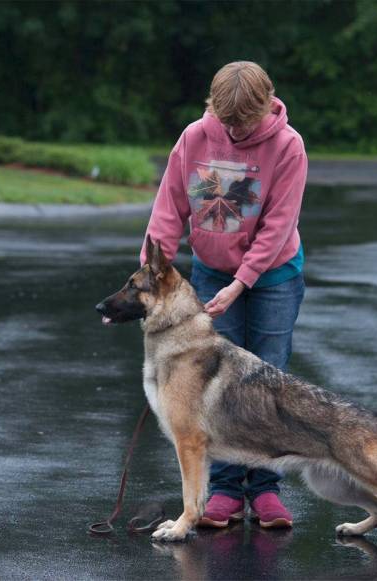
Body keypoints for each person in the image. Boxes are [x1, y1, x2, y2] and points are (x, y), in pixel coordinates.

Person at [140, 61, 307, 529]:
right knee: (216, 385)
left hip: (273, 276)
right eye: (226, 120)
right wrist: (151, 273)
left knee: (267, 383)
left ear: (265, 105)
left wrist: (243, 281)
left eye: (243, 122)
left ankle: (267, 489)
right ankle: (228, 492)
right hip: (212, 273)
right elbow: (168, 208)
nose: (233, 131)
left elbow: (278, 225)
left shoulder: (288, 146)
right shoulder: (196, 137)